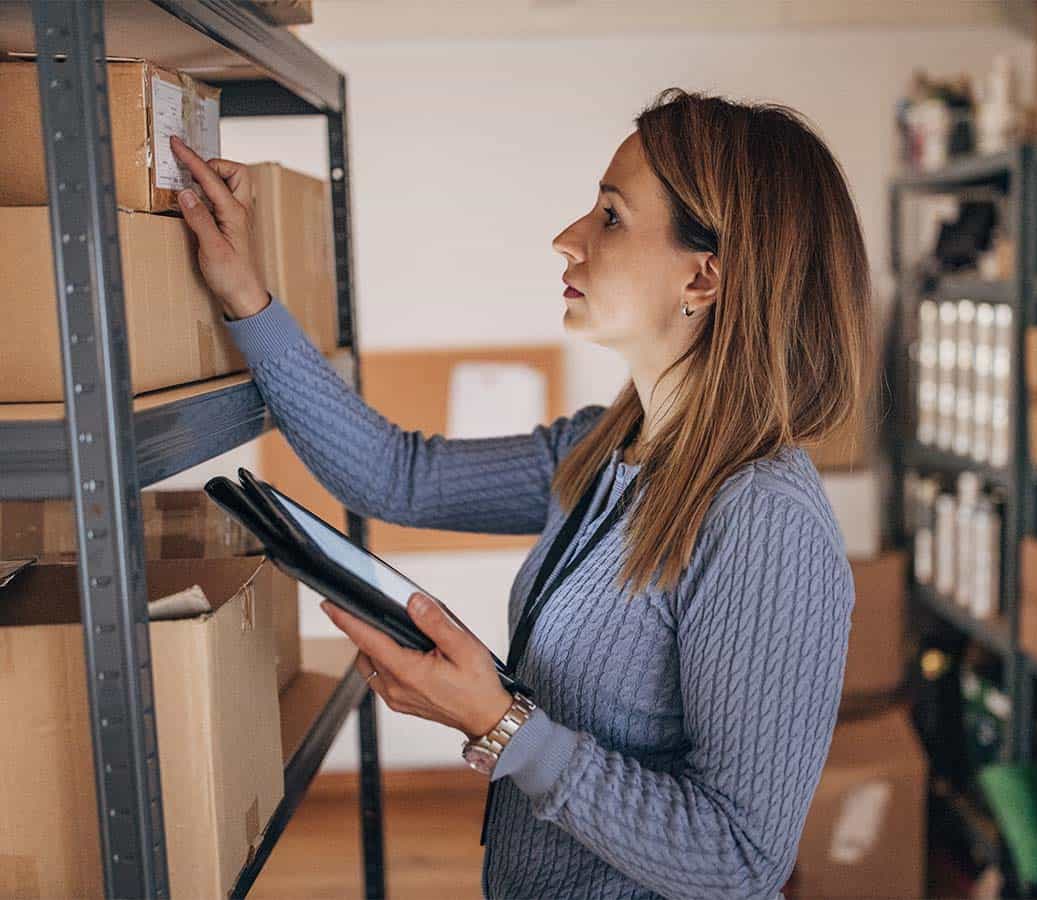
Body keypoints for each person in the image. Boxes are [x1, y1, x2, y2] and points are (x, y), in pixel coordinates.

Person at [170, 85, 869, 900]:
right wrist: (245, 298)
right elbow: (395, 475)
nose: (567, 239)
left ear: (704, 277)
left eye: (610, 217)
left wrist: (501, 727)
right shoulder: (600, 451)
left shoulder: (763, 520)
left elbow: (740, 857)